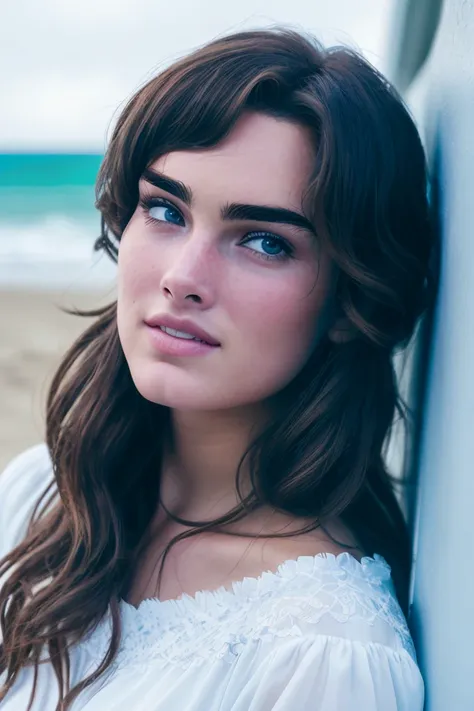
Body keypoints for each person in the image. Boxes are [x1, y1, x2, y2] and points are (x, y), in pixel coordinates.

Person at [0, 27, 434, 711]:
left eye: (264, 241)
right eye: (165, 209)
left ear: (353, 300)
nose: (182, 277)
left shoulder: (325, 654)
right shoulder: (40, 498)